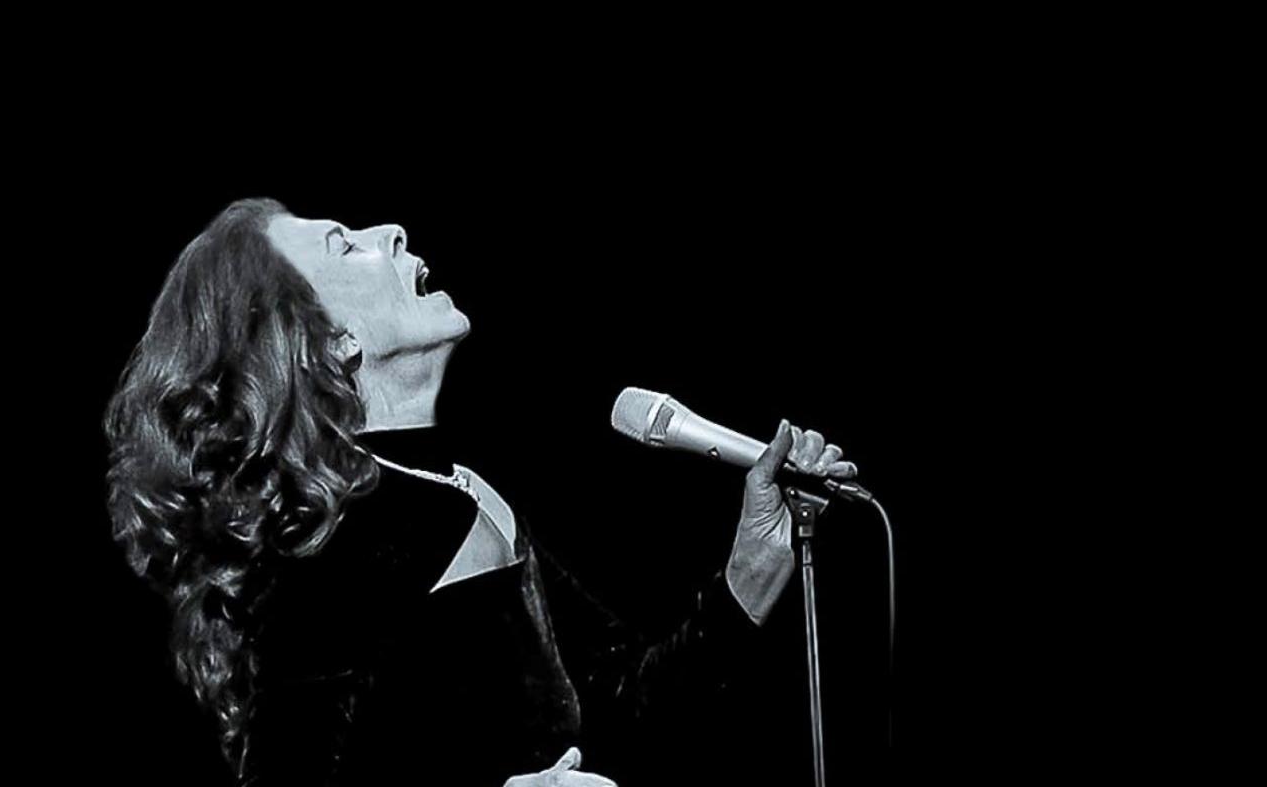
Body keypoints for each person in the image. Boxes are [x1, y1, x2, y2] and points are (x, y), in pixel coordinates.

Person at [103, 198, 856, 786]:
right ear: (332, 342)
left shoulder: (454, 494)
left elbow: (618, 714)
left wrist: (754, 567)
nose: (392, 231)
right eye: (345, 243)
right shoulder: (340, 538)